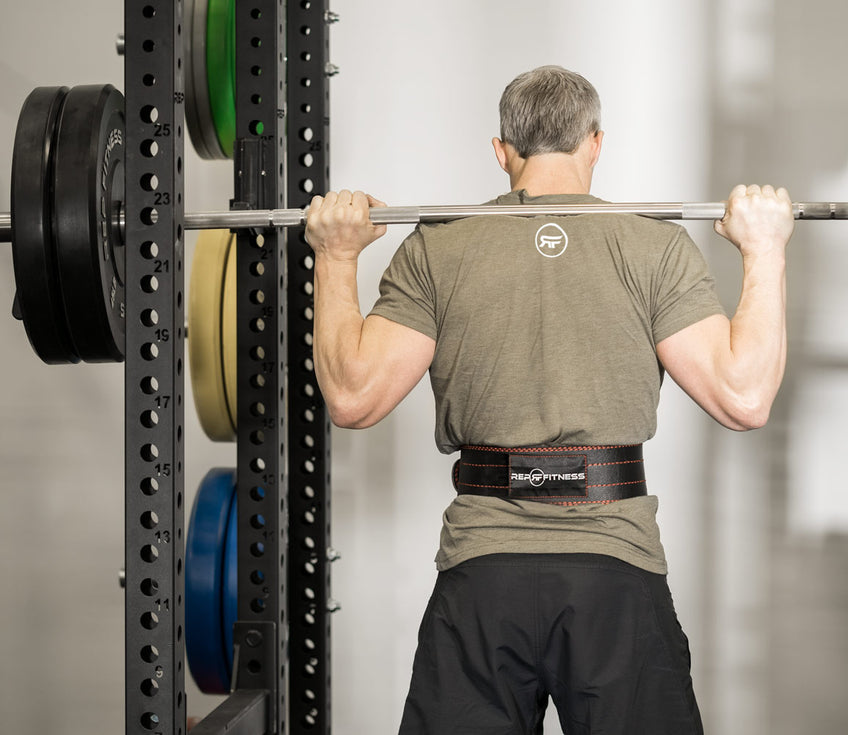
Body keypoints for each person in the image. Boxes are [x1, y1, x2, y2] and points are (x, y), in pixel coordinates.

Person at [304, 65, 794, 735]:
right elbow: (745, 397)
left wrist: (333, 256)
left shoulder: (439, 247)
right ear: (595, 142)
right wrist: (765, 250)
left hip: (483, 579)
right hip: (615, 574)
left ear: (502, 151)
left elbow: (353, 396)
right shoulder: (654, 247)